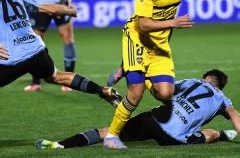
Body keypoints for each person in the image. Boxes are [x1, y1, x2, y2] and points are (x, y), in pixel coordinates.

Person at [103, 0, 194, 149]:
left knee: (165, 94)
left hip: (159, 43)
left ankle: (129, 68)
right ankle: (111, 137)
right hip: (136, 37)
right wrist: (174, 22)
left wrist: (168, 27)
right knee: (135, 92)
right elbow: (143, 24)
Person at [35, 69, 239, 150]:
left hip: (152, 120)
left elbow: (165, 90)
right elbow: (234, 115)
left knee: (108, 132)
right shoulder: (223, 99)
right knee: (210, 134)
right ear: (219, 85)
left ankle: (59, 145)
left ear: (206, 78)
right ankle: (223, 134)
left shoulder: (192, 81)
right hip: (176, 137)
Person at [0, 0, 121, 108]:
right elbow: (49, 8)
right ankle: (102, 91)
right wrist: (69, 10)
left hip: (11, 57)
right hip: (36, 50)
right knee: (57, 76)